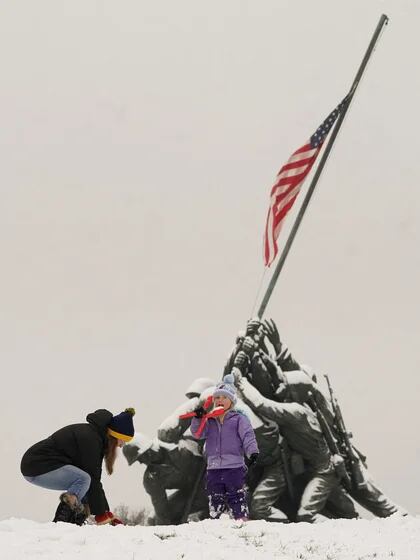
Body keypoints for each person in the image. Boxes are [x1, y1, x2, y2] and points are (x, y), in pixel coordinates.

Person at [233, 370, 358, 522]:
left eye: (286, 387)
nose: (281, 389)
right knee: (342, 509)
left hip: (324, 471)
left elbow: (262, 405)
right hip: (314, 468)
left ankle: (337, 533)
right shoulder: (306, 410)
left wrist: (242, 382)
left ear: (295, 393)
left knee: (307, 514)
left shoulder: (297, 412)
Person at [21, 407, 136, 525]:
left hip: (37, 468)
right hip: (37, 465)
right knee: (84, 479)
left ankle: (74, 522)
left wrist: (106, 512)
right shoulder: (91, 439)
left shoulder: (96, 437)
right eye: (123, 440)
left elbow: (95, 481)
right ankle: (62, 521)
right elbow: (93, 478)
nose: (122, 445)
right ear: (115, 435)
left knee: (85, 481)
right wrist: (102, 515)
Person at [190, 376, 259, 521]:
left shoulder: (238, 419)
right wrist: (198, 418)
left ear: (231, 401)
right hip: (213, 467)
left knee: (236, 495)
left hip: (234, 466)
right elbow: (197, 433)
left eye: (224, 397)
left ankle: (240, 519)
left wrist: (252, 452)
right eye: (217, 398)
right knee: (215, 496)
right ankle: (217, 521)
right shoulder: (209, 420)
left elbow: (248, 436)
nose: (219, 400)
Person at [123, 433, 208, 525]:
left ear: (147, 451)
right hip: (191, 493)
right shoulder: (151, 479)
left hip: (212, 477)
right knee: (154, 519)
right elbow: (162, 511)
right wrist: (164, 530)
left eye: (139, 458)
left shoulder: (171, 440)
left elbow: (204, 437)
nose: (140, 462)